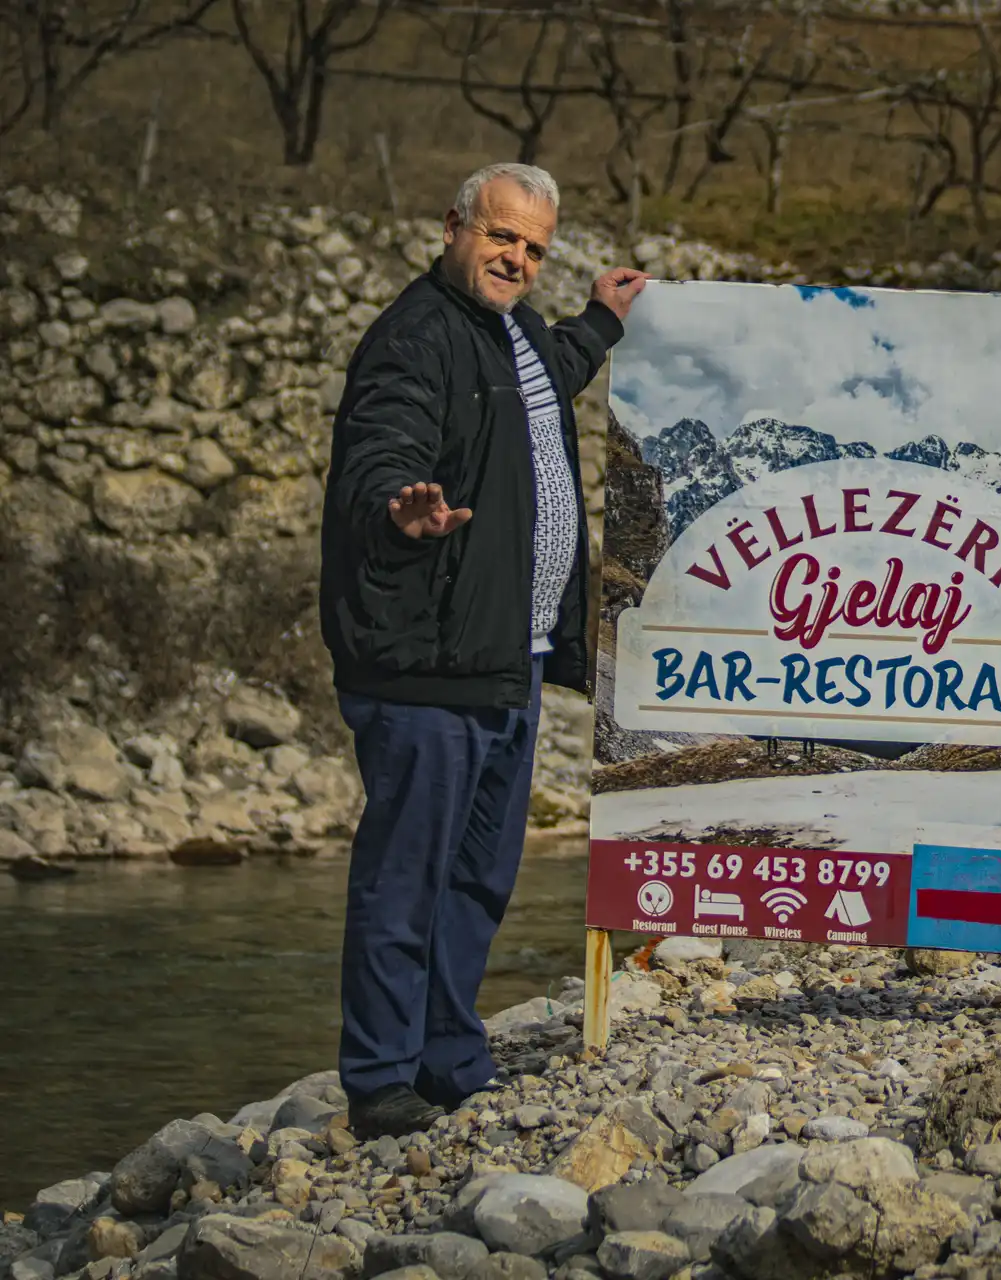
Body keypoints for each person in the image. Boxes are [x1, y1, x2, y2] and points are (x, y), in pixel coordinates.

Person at [319, 162, 648, 1137]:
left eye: (535, 248)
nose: (517, 257)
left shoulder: (517, 333)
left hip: (510, 659)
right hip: (426, 665)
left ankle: (449, 1059)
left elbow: (560, 366)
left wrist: (600, 319)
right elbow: (383, 444)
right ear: (455, 223)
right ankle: (379, 1080)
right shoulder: (414, 338)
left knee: (477, 878)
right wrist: (399, 507)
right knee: (405, 876)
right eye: (503, 236)